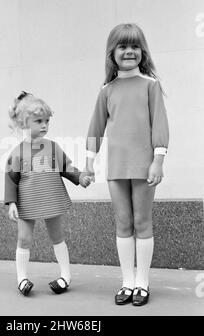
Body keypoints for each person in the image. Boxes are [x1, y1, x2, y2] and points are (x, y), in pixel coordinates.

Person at [85, 23, 169, 306]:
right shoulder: (107, 90)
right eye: (122, 46)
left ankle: (142, 283)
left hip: (145, 166)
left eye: (134, 46)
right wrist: (89, 163)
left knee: (142, 223)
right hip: (117, 168)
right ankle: (127, 282)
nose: (129, 51)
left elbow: (160, 125)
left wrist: (158, 161)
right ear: (113, 53)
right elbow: (95, 129)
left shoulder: (150, 86)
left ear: (142, 51)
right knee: (123, 223)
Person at [5, 91, 91, 296]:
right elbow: (10, 179)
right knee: (24, 239)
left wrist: (79, 178)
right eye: (38, 121)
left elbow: (66, 167)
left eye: (46, 121)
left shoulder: (53, 147)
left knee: (57, 236)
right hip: (27, 201)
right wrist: (11, 203)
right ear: (25, 123)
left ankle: (65, 276)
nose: (44, 125)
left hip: (50, 198)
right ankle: (22, 278)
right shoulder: (17, 152)